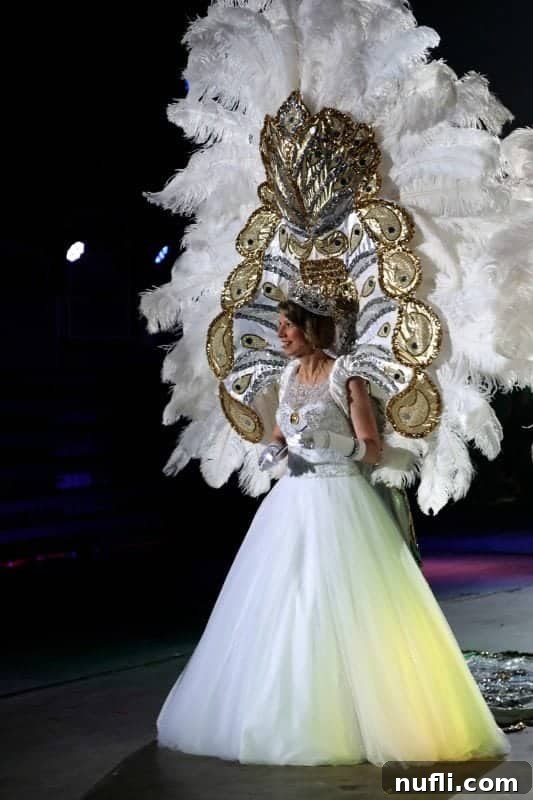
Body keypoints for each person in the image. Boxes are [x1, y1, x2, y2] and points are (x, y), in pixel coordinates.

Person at [156, 289, 511, 768]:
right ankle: (289, 711)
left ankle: (360, 715)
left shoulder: (346, 375)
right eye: (279, 325)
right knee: (287, 603)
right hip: (292, 501)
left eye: (288, 325)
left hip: (341, 498)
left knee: (345, 604)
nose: (279, 334)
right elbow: (280, 435)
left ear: (312, 328)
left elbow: (370, 449)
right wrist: (273, 451)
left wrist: (331, 442)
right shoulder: (286, 375)